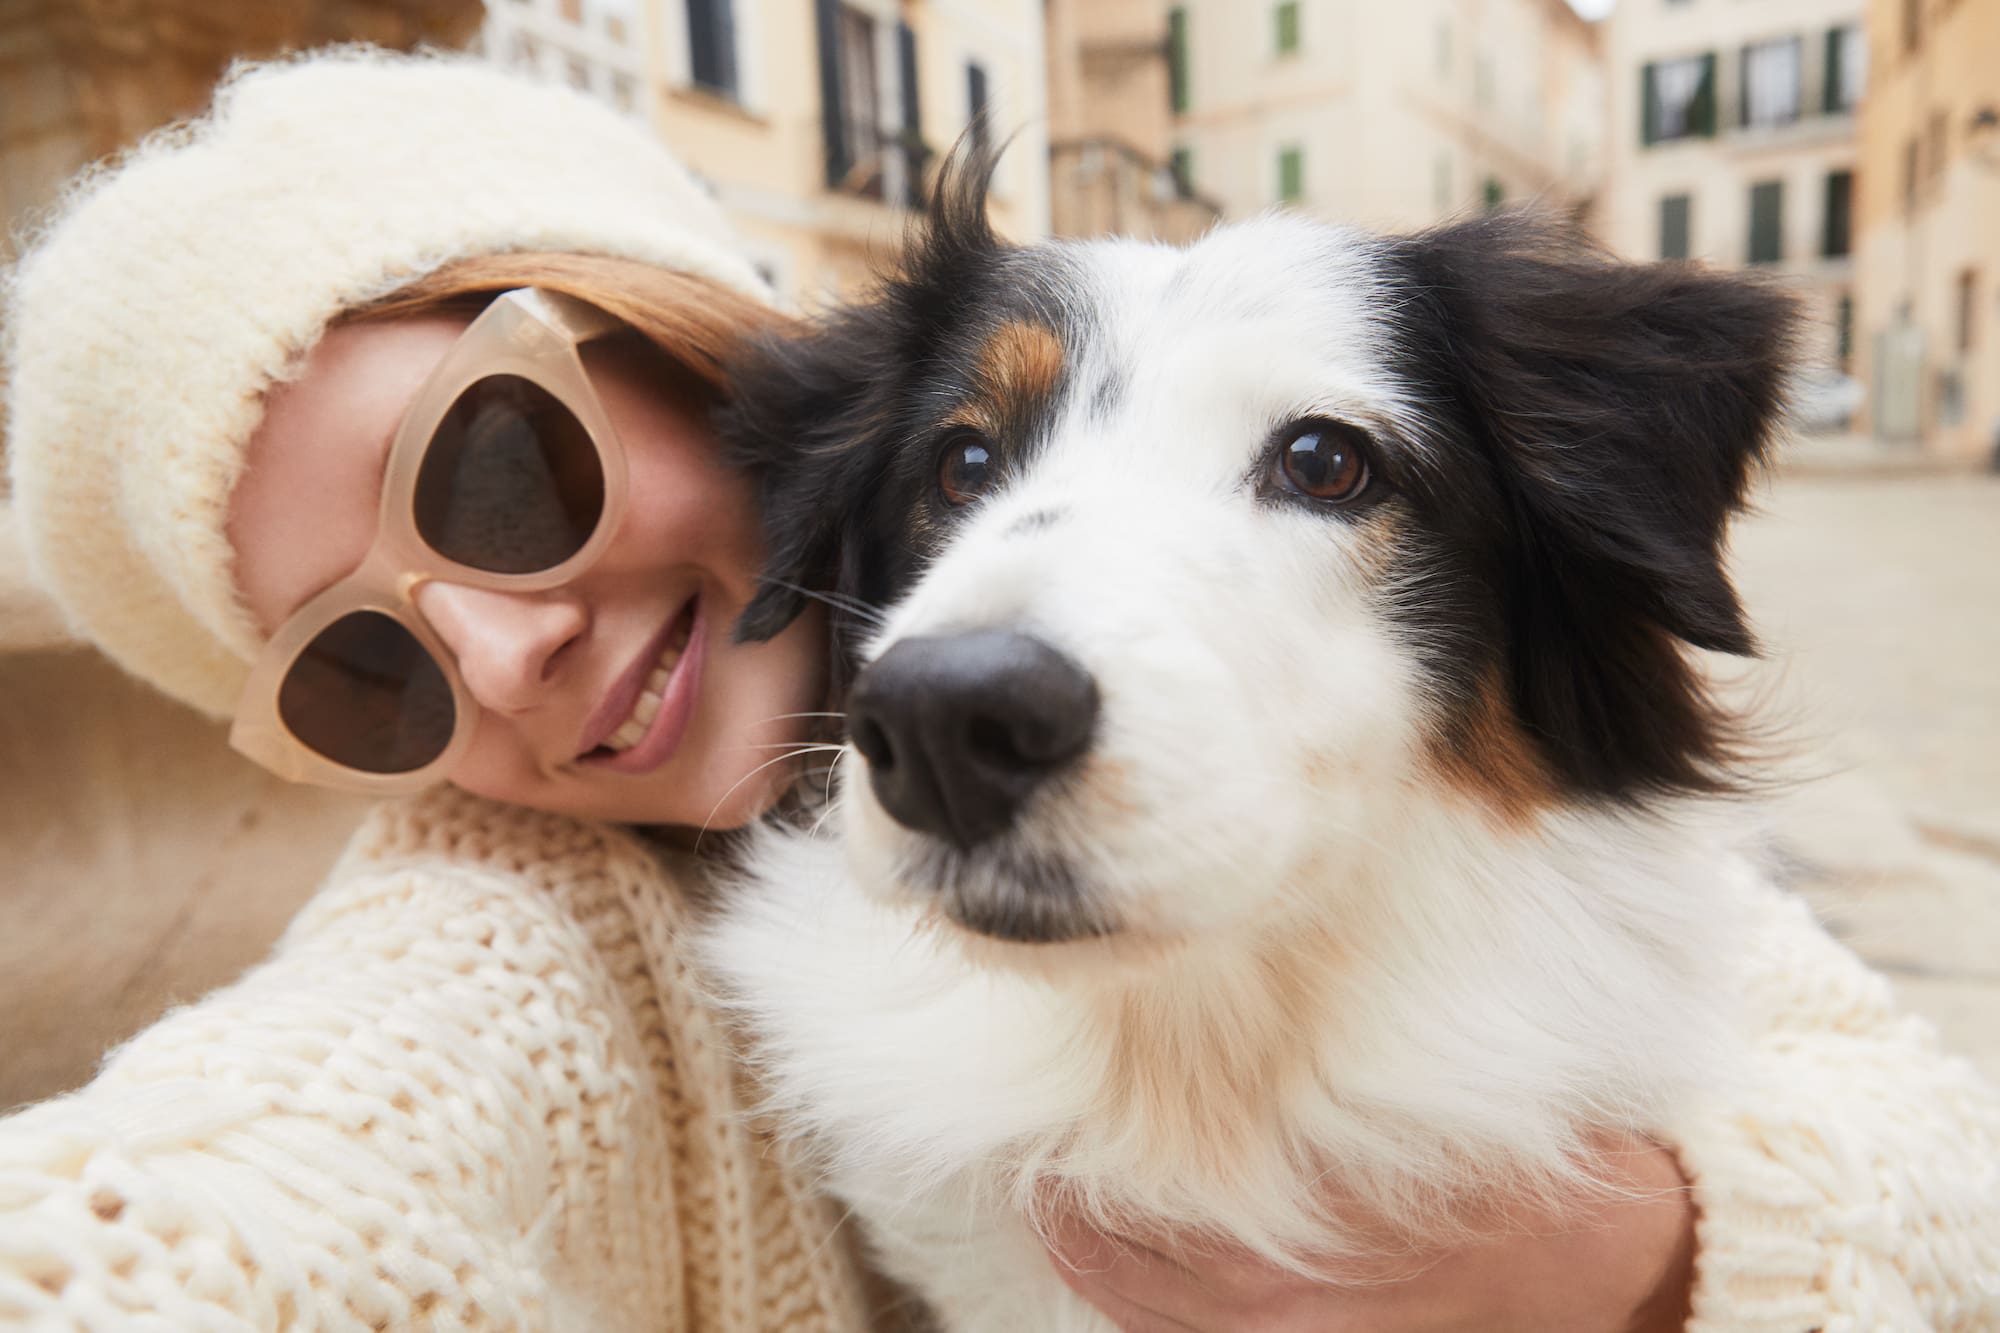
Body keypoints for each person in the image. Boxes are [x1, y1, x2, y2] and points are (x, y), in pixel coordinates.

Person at [2, 49, 1995, 1333]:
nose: (499, 647)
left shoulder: (1583, 900)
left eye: (494, 464)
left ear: (701, 369)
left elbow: (1915, 1152)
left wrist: (1622, 1261)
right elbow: (277, 1165)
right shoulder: (521, 925)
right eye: (362, 664)